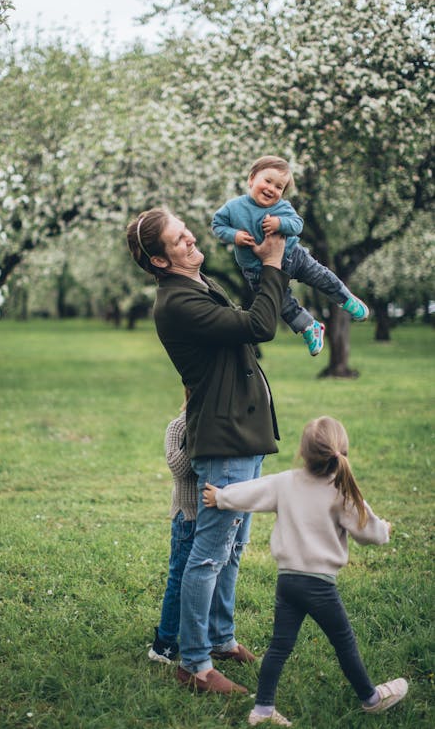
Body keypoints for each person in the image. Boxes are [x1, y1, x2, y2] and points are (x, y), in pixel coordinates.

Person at [127, 206, 289, 694]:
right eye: (178, 239)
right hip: (224, 440)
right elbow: (259, 325)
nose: (191, 238)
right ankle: (194, 664)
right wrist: (275, 264)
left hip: (243, 433)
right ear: (160, 261)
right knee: (209, 554)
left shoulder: (196, 286)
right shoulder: (176, 302)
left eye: (185, 230)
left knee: (233, 548)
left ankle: (220, 639)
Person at [203, 416, 408, 726]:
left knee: (279, 646)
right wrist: (386, 531)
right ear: (342, 454)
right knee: (344, 642)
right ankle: (371, 698)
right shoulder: (342, 490)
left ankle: (262, 709)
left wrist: (220, 497)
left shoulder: (286, 482)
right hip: (319, 586)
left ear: (302, 452)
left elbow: (251, 492)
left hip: (288, 582)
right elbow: (369, 533)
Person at [212, 155, 369, 356]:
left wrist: (280, 224)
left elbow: (297, 225)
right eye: (267, 181)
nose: (271, 189)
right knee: (282, 305)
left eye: (279, 187)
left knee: (320, 276)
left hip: (293, 256)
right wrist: (234, 235)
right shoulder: (234, 207)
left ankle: (345, 298)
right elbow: (217, 225)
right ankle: (309, 327)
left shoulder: (282, 208)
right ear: (251, 179)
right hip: (257, 270)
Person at [148, 388, 197, 665]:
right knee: (179, 579)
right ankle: (165, 643)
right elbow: (178, 468)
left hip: (213, 514)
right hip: (187, 515)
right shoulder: (179, 425)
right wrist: (196, 431)